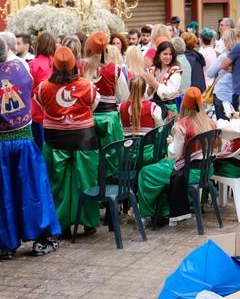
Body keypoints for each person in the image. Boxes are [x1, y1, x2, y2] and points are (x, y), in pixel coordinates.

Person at [0, 33, 60, 258]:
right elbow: (8, 53)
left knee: (4, 195)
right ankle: (41, 239)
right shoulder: (23, 68)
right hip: (24, 141)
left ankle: (5, 244)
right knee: (32, 190)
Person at [35, 46, 100, 234]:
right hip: (84, 141)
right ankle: (88, 223)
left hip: (55, 142)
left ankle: (60, 224)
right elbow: (93, 104)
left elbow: (40, 105)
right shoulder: (87, 86)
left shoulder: (43, 87)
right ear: (75, 65)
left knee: (58, 184)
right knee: (87, 181)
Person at [136, 87, 213, 226]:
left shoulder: (182, 126)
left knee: (146, 172)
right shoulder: (210, 123)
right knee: (161, 169)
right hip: (206, 170)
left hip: (187, 173)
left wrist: (171, 142)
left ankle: (148, 212)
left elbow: (173, 154)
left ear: (183, 104)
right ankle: (165, 210)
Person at [84, 34, 128, 166]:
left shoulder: (83, 68)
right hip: (110, 119)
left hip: (88, 119)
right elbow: (124, 97)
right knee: (112, 156)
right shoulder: (115, 69)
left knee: (92, 156)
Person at [28, 32, 56, 147]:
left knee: (39, 148)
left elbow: (28, 89)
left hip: (38, 112)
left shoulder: (32, 65)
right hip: (57, 110)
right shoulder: (59, 62)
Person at [149, 41, 183, 115]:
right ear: (158, 55)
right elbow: (147, 92)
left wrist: (154, 82)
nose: (168, 57)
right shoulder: (154, 69)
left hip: (169, 107)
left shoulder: (175, 70)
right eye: (165, 54)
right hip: (154, 106)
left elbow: (170, 91)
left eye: (170, 54)